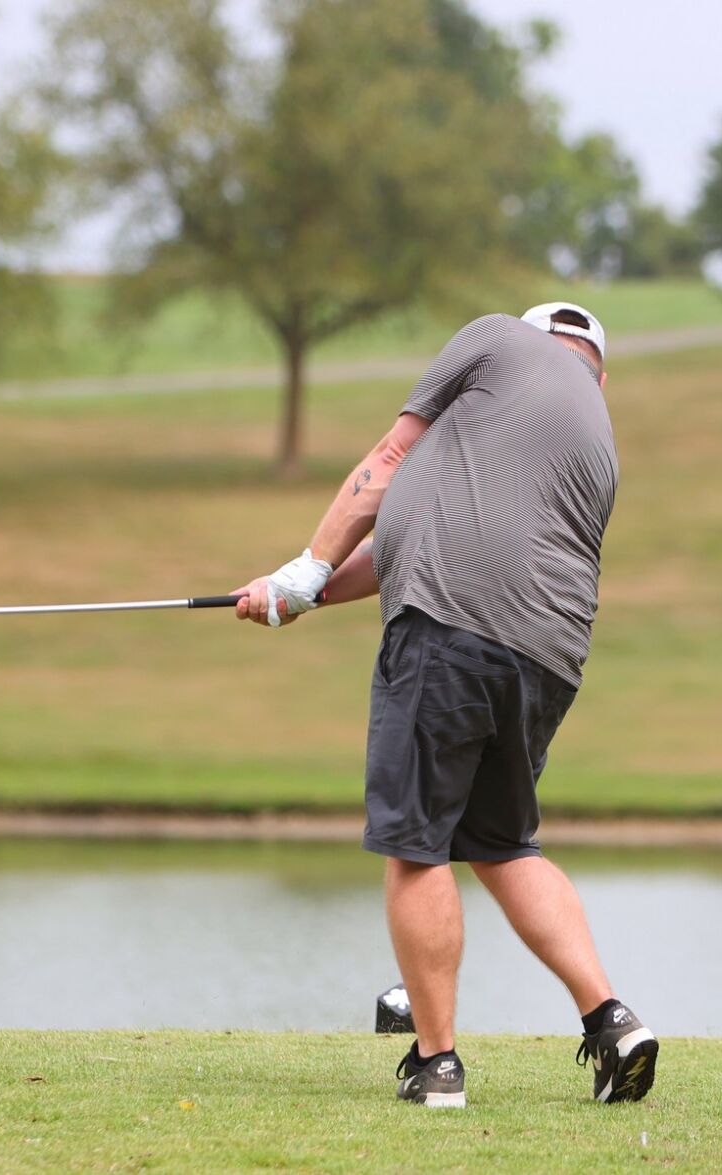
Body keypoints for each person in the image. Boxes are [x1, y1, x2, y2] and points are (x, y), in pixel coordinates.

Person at [233, 302, 656, 1108]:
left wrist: (304, 563)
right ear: (596, 370)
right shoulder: (594, 438)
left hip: (448, 634)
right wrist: (304, 590)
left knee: (415, 845)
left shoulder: (497, 338)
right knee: (503, 843)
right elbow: (408, 542)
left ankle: (437, 1063)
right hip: (547, 661)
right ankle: (611, 1018)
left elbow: (390, 459)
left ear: (535, 337)